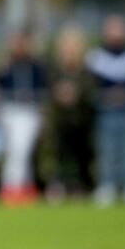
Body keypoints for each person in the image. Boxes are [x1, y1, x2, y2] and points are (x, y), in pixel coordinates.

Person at [86, 15, 125, 207]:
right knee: (107, 147)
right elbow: (93, 82)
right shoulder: (96, 57)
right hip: (106, 109)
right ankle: (107, 184)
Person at [0, 27, 46, 206]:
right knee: (15, 150)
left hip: (29, 111)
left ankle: (14, 185)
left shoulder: (36, 65)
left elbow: (43, 87)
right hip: (10, 110)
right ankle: (19, 186)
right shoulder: (6, 64)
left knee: (22, 149)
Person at [46, 24, 94, 202]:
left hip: (81, 120)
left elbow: (90, 88)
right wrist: (59, 93)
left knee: (83, 156)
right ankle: (59, 186)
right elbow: (50, 87)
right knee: (60, 156)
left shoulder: (86, 70)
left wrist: (76, 93)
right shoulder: (55, 69)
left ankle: (82, 187)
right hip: (60, 121)